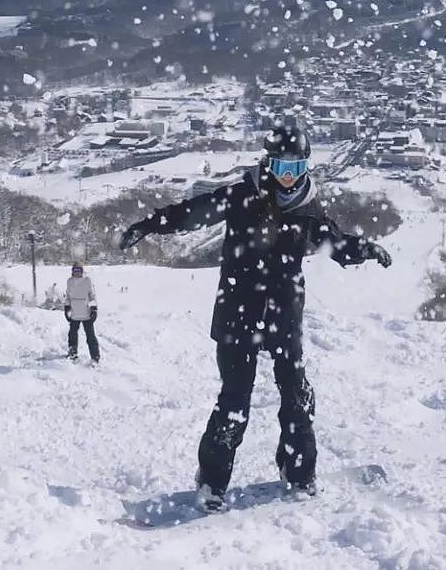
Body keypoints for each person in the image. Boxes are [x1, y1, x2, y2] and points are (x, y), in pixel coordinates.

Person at [119, 116, 392, 510]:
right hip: (237, 313)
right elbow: (192, 212)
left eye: (296, 168)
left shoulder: (307, 208)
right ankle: (212, 482)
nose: (287, 177)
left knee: (295, 398)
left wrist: (365, 248)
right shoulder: (241, 196)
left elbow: (335, 242)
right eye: (281, 167)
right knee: (234, 402)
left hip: (283, 315)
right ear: (268, 165)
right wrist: (149, 224)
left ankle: (298, 472)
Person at [65, 264, 100, 363]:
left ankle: (95, 357)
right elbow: (68, 296)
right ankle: (73, 353)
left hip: (86, 314)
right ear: (72, 272)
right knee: (72, 335)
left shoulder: (87, 281)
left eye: (79, 271)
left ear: (82, 272)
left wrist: (93, 308)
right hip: (74, 313)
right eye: (75, 271)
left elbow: (92, 295)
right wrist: (67, 307)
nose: (77, 273)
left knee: (90, 337)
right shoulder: (70, 281)